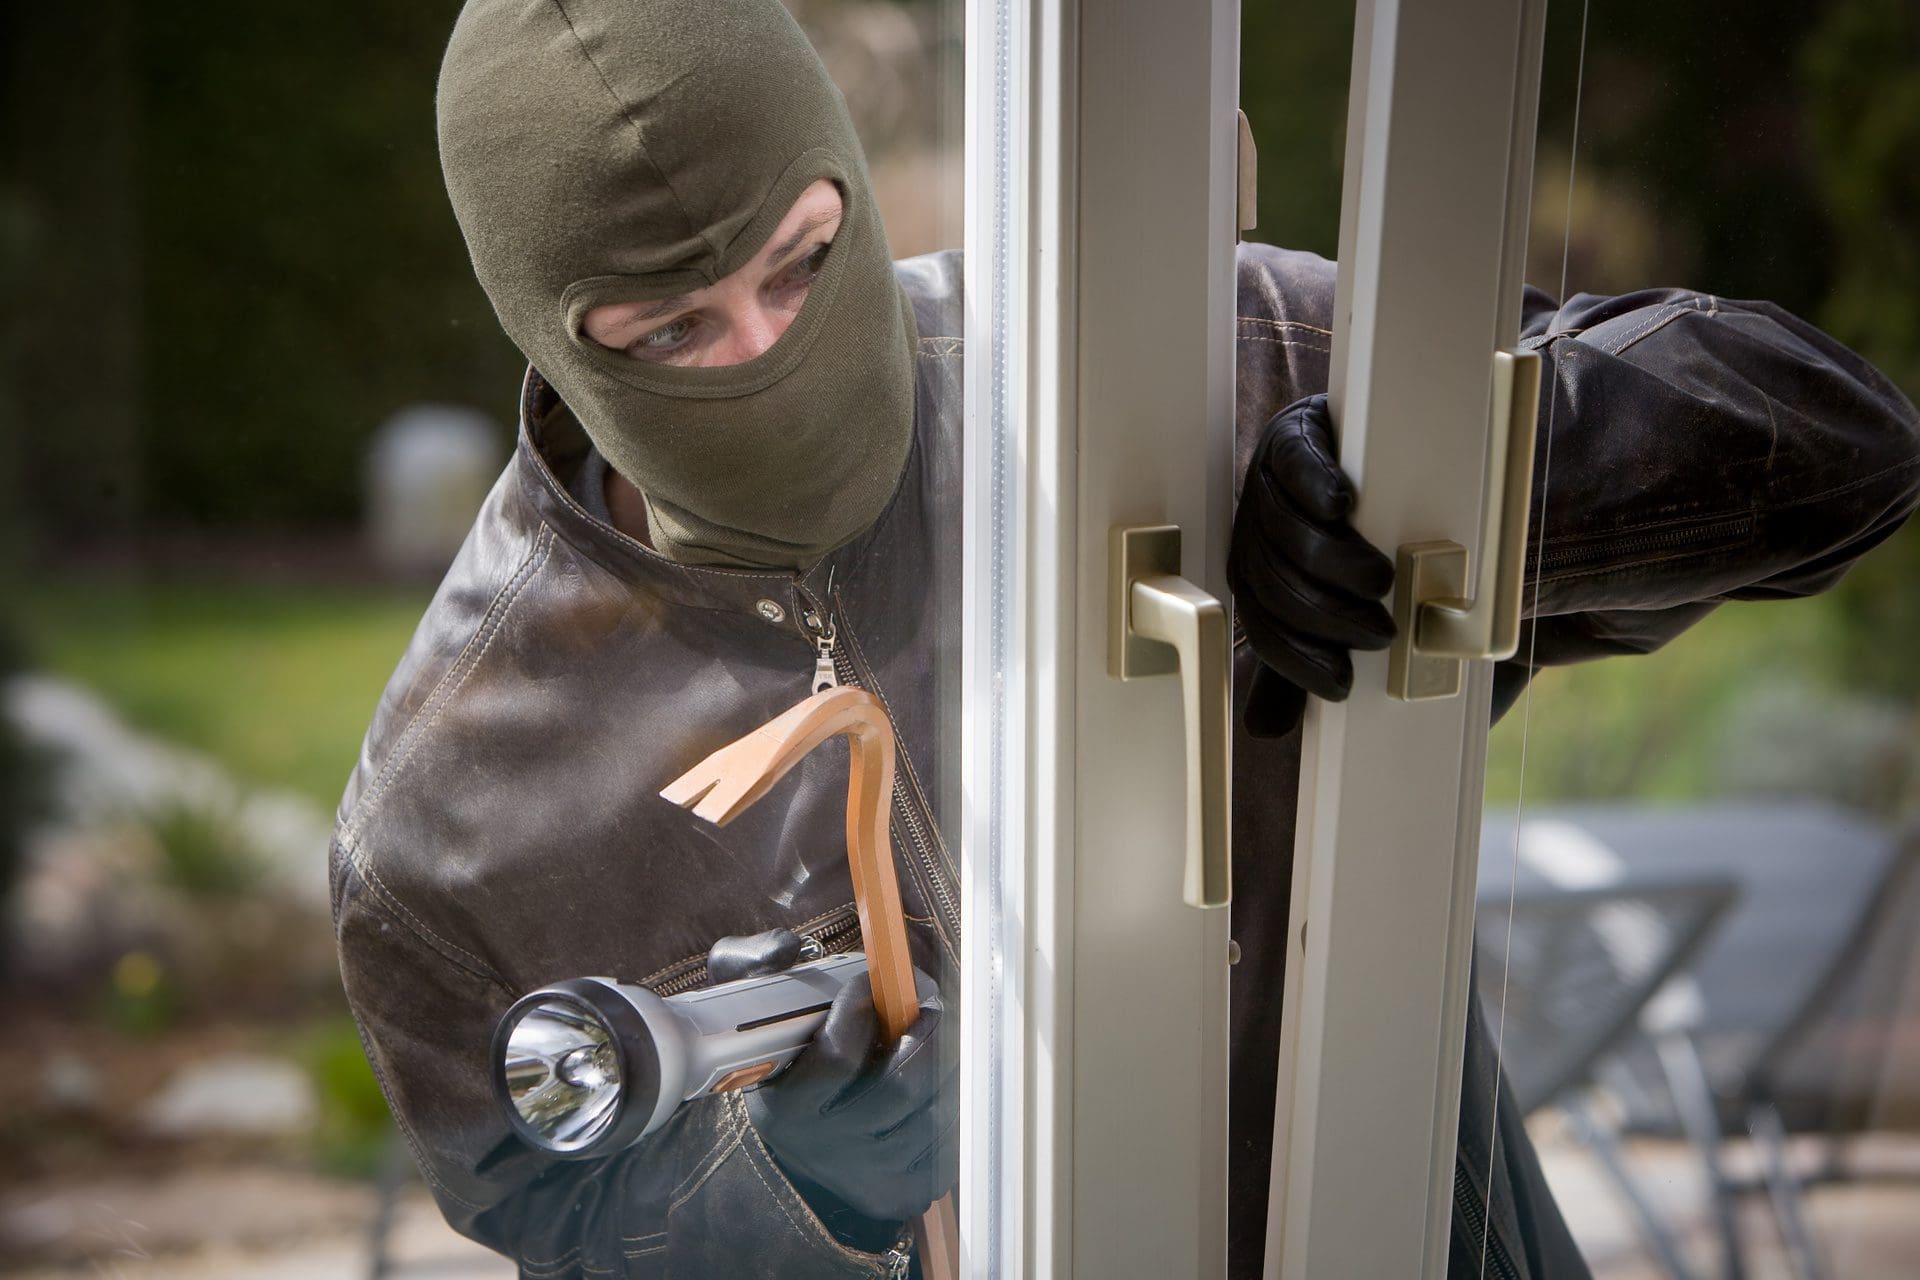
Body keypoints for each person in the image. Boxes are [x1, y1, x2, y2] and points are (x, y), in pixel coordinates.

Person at [330, 1, 1920, 1276]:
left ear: (852, 187)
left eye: (805, 262)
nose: (760, 353)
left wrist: (1461, 479)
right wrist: (785, 1199)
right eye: (668, 332)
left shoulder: (1158, 367)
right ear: (552, 333)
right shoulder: (457, 810)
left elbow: (1842, 449)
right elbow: (552, 1218)